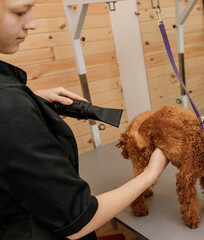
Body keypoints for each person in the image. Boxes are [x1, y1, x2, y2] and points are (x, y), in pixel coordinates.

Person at [0, 0, 168, 239]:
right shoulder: (9, 105)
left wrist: (32, 99)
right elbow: (78, 219)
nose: (32, 23)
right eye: (19, 12)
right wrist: (151, 174)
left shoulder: (11, 99)